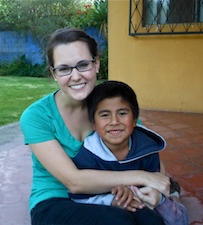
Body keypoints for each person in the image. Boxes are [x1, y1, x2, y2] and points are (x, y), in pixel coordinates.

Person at [20, 27, 170, 225]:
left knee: (151, 221)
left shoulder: (111, 107)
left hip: (110, 193)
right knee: (117, 221)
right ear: (53, 73)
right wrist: (141, 176)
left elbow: (149, 157)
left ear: (97, 64)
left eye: (83, 65)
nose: (75, 76)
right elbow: (73, 182)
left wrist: (154, 189)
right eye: (64, 69)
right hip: (55, 200)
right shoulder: (37, 116)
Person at [69, 80, 189, 225]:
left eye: (122, 113)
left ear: (134, 120)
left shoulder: (147, 149)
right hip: (112, 210)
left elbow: (157, 186)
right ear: (93, 124)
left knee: (164, 219)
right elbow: (79, 199)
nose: (114, 121)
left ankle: (174, 194)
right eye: (105, 115)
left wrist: (159, 198)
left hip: (145, 204)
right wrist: (112, 199)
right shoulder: (87, 156)